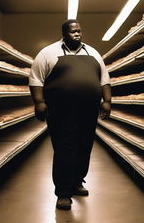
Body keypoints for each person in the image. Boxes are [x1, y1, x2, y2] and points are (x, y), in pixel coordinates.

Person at [29, 19, 111, 210]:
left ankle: (76, 182)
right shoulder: (48, 53)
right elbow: (36, 80)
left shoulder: (93, 53)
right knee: (65, 149)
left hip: (88, 110)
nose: (77, 34)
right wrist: (39, 103)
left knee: (84, 147)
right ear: (64, 33)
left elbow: (104, 79)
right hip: (60, 111)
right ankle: (63, 193)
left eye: (79, 31)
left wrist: (107, 101)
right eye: (73, 31)